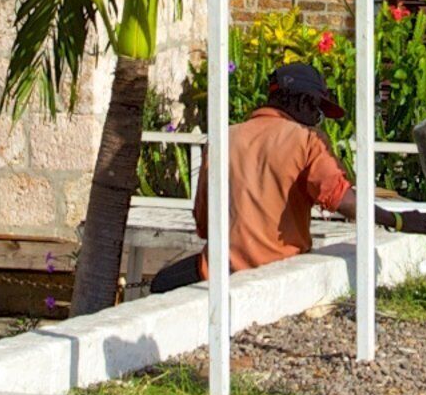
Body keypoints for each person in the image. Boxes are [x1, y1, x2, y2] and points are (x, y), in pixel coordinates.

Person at [152, 60, 356, 294]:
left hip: (221, 273)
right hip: (282, 273)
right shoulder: (308, 140)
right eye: (317, 112)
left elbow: (204, 223)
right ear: (303, 102)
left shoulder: (223, 137)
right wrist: (395, 220)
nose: (316, 120)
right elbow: (343, 200)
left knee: (160, 284)